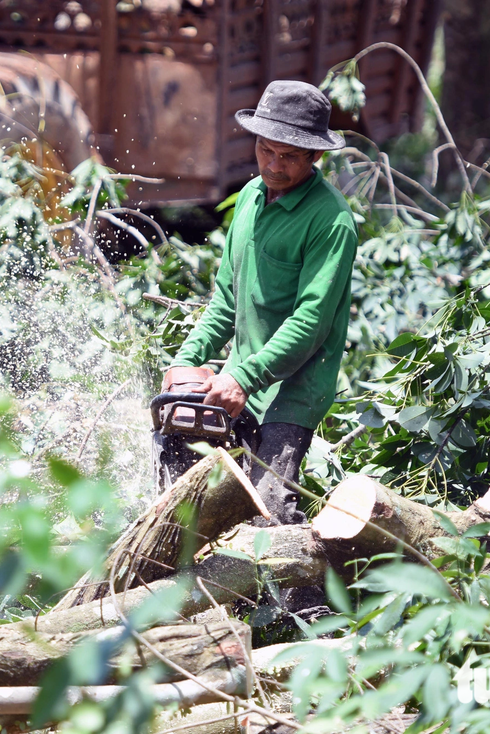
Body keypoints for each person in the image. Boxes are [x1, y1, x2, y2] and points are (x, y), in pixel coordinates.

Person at [166, 79, 358, 526]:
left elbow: (310, 322)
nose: (273, 165)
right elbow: (227, 298)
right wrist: (186, 360)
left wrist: (244, 376)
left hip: (293, 388)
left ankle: (304, 598)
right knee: (186, 478)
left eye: (288, 157)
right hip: (242, 377)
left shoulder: (331, 221)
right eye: (265, 151)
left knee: (269, 510)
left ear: (315, 155)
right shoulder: (252, 197)